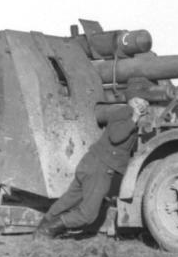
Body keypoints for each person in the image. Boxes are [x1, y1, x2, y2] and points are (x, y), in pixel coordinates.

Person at [35, 97, 149, 238]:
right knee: (87, 215)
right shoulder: (126, 112)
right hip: (100, 168)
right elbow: (116, 136)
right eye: (138, 102)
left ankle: (41, 230)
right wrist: (135, 118)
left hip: (91, 162)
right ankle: (48, 230)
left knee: (68, 200)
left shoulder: (126, 114)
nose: (142, 104)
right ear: (131, 103)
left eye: (144, 102)